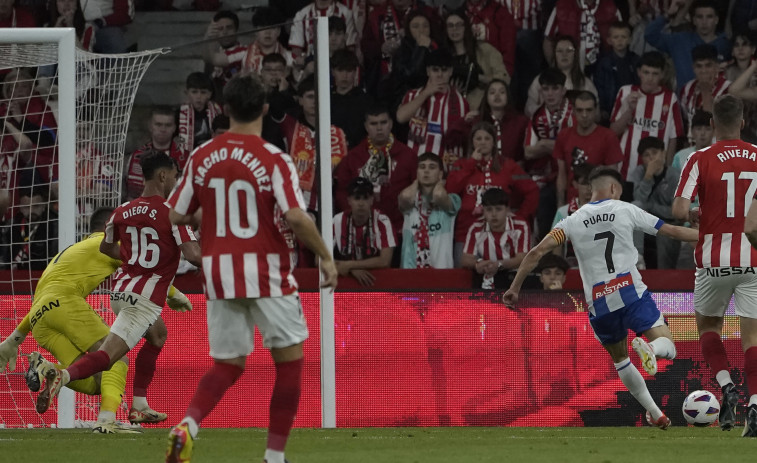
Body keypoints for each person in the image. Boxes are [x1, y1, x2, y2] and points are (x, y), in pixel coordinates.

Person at [164, 73, 338, 463]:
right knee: (289, 363)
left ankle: (188, 425)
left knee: (228, 364)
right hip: (266, 271)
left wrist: (204, 214)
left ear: (224, 109)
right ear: (263, 109)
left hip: (218, 273)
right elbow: (296, 216)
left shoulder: (201, 156)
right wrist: (326, 257)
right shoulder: (274, 158)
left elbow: (176, 214)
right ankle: (274, 457)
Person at [504, 166, 699, 430]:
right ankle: (651, 348)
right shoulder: (625, 209)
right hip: (630, 291)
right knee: (669, 346)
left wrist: (515, 287)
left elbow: (536, 253)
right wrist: (716, 236)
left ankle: (656, 413)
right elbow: (672, 231)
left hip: (599, 303)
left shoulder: (571, 221)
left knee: (621, 360)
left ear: (590, 191)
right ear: (614, 189)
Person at [30, 152, 202, 425]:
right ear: (162, 175)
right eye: (174, 176)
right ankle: (65, 381)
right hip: (143, 299)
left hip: (121, 293)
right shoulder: (172, 213)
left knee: (158, 335)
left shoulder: (122, 210)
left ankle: (139, 405)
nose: (175, 181)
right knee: (108, 359)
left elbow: (106, 247)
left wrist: (133, 258)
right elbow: (193, 255)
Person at [0, 207, 192, 432]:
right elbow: (145, 268)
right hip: (66, 304)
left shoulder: (71, 252)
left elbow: (44, 301)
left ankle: (47, 368)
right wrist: (175, 295)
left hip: (39, 319)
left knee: (95, 380)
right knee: (116, 359)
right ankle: (106, 421)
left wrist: (13, 340)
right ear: (110, 228)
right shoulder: (104, 245)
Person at [674, 94, 757, 437]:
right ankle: (755, 404)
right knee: (752, 338)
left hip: (711, 262)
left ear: (711, 124)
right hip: (753, 259)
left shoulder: (699, 158)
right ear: (742, 122)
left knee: (708, 327)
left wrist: (695, 213)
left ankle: (726, 386)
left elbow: (679, 210)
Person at [447, 121, 538, 266]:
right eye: (478, 138)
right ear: (472, 142)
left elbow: (532, 190)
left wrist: (520, 216)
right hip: (466, 234)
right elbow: (450, 189)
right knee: (464, 280)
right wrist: (471, 163)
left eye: (487, 138)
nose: (482, 142)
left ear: (494, 142)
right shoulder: (461, 165)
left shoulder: (508, 166)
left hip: (503, 234)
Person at [335, 104, 416, 232]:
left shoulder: (408, 155)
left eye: (383, 122)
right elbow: (341, 191)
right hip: (363, 229)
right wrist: (354, 215)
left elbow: (417, 189)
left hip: (400, 229)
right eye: (373, 124)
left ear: (390, 124)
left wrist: (409, 220)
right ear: (366, 126)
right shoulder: (353, 157)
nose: (379, 128)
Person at [610, 51, 684, 180]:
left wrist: (667, 170)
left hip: (657, 172)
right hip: (626, 170)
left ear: (662, 74)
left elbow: (674, 137)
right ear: (639, 72)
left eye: (655, 74)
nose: (650, 78)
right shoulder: (625, 92)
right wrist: (629, 110)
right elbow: (613, 132)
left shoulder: (670, 98)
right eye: (646, 72)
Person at [280, 76, 348, 212]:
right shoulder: (290, 126)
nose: (315, 101)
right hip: (294, 201)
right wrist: (282, 91)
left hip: (328, 203)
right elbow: (275, 107)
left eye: (319, 96)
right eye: (310, 97)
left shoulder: (337, 132)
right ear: (300, 100)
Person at [553, 91, 623, 207]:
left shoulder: (608, 137)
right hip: (571, 203)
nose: (584, 115)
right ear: (574, 111)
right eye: (580, 110)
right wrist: (560, 204)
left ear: (596, 111)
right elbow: (561, 175)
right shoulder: (564, 135)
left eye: (589, 110)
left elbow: (613, 177)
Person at [645, 0, 731, 91]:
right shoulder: (680, 40)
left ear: (716, 20)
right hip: (684, 102)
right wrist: (668, 15)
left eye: (709, 17)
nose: (704, 22)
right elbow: (650, 35)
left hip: (716, 101)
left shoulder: (727, 45)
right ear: (694, 20)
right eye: (700, 17)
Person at [398, 152, 460, 269]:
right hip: (410, 270)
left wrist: (440, 182)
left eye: (432, 167)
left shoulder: (453, 199)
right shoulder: (411, 199)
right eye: (422, 167)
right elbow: (405, 198)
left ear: (440, 173)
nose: (426, 171)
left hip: (441, 271)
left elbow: (439, 195)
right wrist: (417, 181)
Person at [462, 187, 530, 289]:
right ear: (483, 210)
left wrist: (499, 264)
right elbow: (465, 259)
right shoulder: (476, 227)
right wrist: (477, 264)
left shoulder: (520, 226)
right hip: (486, 276)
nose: (493, 214)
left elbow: (523, 258)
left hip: (514, 277)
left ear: (507, 209)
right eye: (489, 209)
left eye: (498, 209)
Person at [630, 136, 681, 269]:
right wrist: (647, 177)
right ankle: (638, 259)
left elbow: (675, 212)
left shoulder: (675, 176)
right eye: (646, 155)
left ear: (663, 153)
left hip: (667, 224)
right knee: (635, 209)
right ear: (642, 159)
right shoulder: (639, 172)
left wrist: (651, 207)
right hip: (645, 224)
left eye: (654, 153)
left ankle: (665, 277)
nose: (651, 158)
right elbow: (638, 202)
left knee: (664, 235)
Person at [333, 177, 396, 286]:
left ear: (372, 200)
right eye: (357, 198)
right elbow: (319, 259)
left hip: (376, 282)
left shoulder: (383, 221)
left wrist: (349, 265)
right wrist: (352, 270)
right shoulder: (337, 221)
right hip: (344, 284)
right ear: (349, 200)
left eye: (365, 198)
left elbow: (385, 261)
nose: (361, 203)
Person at [443, 10, 509, 109]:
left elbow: (504, 79)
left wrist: (478, 77)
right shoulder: (442, 55)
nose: (454, 29)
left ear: (466, 27)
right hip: (451, 106)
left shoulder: (485, 50)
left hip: (481, 106)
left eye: (459, 25)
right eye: (450, 25)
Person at [124, 106, 189, 201]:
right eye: (158, 124)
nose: (163, 129)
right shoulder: (136, 156)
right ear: (150, 126)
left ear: (174, 128)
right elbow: (129, 193)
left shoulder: (186, 158)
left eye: (168, 125)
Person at [525, 36, 598, 118]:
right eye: (559, 51)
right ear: (554, 54)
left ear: (575, 54)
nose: (564, 54)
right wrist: (547, 113)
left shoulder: (585, 83)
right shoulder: (540, 79)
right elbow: (529, 108)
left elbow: (596, 112)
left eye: (569, 51)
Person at [544, 0, 621, 71]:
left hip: (602, 65)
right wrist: (554, 67)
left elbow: (621, 36)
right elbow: (548, 39)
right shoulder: (562, 6)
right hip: (570, 65)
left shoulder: (610, 6)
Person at [679, 45, 730, 140]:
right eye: (699, 66)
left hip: (717, 147)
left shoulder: (728, 89)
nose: (703, 71)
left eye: (708, 65)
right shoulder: (687, 89)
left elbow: (715, 123)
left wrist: (706, 92)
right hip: (692, 147)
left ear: (717, 67)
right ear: (693, 68)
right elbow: (686, 120)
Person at [593, 21, 640, 122]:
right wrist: (602, 108)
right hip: (610, 109)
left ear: (630, 40)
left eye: (623, 37)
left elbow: (640, 83)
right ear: (609, 40)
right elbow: (599, 86)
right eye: (616, 37)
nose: (620, 40)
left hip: (633, 106)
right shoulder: (604, 62)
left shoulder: (636, 60)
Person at [5, 186, 57, 271]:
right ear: (20, 208)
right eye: (26, 207)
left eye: (36, 206)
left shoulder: (54, 227)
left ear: (44, 206)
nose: (31, 211)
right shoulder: (10, 227)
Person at [202, 10, 246, 100]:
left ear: (237, 30)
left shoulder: (245, 52)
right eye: (220, 29)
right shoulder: (213, 54)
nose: (225, 32)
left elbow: (210, 59)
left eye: (229, 28)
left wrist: (207, 38)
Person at [177, 72, 223, 152]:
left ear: (209, 94)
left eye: (203, 92)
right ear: (187, 93)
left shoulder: (218, 111)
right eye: (194, 92)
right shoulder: (179, 114)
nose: (198, 96)